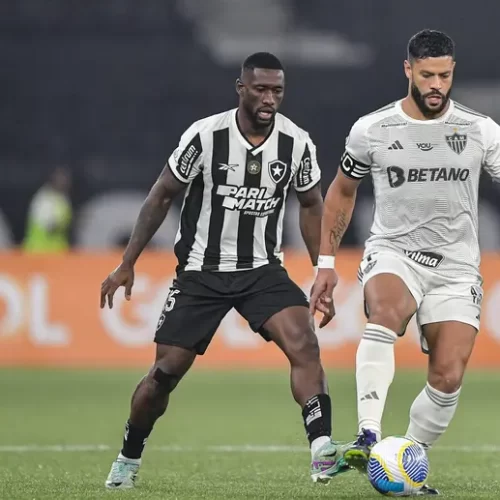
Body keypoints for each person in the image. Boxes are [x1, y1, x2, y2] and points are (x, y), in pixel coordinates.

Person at [101, 52, 350, 489]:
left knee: (304, 345)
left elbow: (312, 205)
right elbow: (161, 195)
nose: (269, 98)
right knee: (163, 376)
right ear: (241, 88)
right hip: (201, 272)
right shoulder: (205, 136)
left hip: (262, 272)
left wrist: (322, 268)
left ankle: (321, 449)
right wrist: (128, 261)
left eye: (277, 90)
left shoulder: (296, 143)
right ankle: (128, 456)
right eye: (260, 89)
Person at [310, 29, 500, 496]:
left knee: (448, 374)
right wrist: (326, 263)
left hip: (456, 267)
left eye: (446, 76)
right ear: (408, 70)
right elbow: (342, 191)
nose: (437, 85)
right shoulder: (373, 129)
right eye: (428, 74)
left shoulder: (481, 130)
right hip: (394, 251)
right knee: (387, 312)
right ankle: (368, 435)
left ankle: (402, 459)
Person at [22, 166, 72, 253]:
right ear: (53, 179)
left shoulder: (63, 199)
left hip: (56, 252)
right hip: (39, 251)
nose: (64, 182)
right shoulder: (44, 199)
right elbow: (50, 227)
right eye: (60, 178)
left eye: (65, 179)